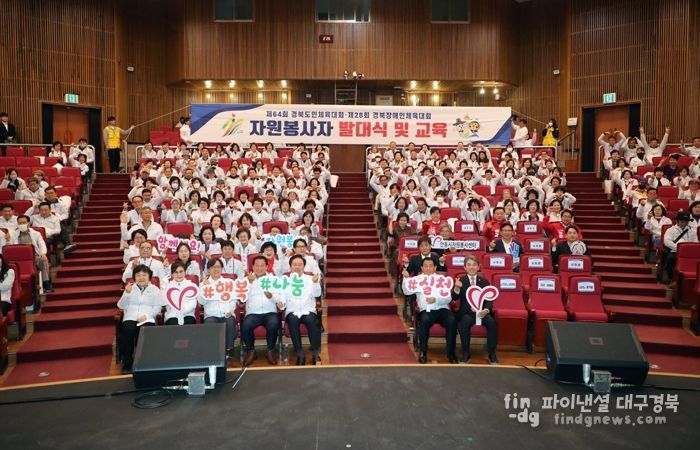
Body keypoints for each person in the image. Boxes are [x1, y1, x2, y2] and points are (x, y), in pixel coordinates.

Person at [402, 257, 457, 364]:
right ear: (422, 268)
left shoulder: (442, 280)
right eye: (425, 266)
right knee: (424, 320)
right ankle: (423, 352)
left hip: (442, 308)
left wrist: (436, 300)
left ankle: (451, 353)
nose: (428, 268)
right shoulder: (417, 280)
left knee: (451, 320)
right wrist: (405, 278)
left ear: (435, 267)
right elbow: (406, 292)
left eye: (430, 266)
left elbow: (448, 298)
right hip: (426, 310)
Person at [452, 255, 498, 364]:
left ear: (478, 267)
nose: (471, 267)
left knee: (491, 323)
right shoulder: (460, 281)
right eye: (469, 265)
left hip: (482, 313)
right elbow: (454, 298)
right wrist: (457, 288)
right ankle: (466, 353)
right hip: (467, 313)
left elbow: (489, 300)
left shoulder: (484, 282)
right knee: (464, 323)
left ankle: (492, 353)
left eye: (474, 265)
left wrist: (486, 310)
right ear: (465, 267)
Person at [117, 264, 162, 373]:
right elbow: (120, 306)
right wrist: (126, 293)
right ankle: (127, 363)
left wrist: (147, 316)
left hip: (147, 318)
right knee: (127, 330)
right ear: (134, 277)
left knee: (145, 332)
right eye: (138, 275)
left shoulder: (155, 290)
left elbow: (157, 307)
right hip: (130, 317)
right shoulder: (130, 288)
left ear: (149, 277)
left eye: (144, 275)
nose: (141, 277)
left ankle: (144, 363)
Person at [241, 256, 282, 366]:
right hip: (253, 313)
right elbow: (242, 299)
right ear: (252, 267)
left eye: (262, 265)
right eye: (257, 265)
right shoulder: (245, 280)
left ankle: (270, 351)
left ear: (267, 267)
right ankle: (251, 351)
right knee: (246, 326)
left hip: (270, 312)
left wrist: (271, 296)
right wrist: (249, 284)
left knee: (273, 324)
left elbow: (279, 298)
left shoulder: (274, 280)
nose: (259, 268)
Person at [281, 254, 322, 365]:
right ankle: (299, 353)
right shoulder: (285, 281)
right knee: (293, 320)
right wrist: (281, 304)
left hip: (308, 309)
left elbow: (317, 294)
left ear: (304, 266)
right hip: (292, 310)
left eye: (300, 264)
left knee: (311, 321)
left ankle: (316, 353)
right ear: (290, 267)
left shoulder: (310, 279)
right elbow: (282, 298)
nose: (297, 267)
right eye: (294, 264)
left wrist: (315, 283)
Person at [199, 258, 237, 356]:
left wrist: (230, 310)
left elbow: (233, 299)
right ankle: (212, 352)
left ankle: (229, 350)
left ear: (222, 268)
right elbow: (201, 302)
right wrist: (205, 288)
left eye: (218, 267)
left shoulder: (229, 282)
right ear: (208, 269)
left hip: (227, 313)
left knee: (230, 321)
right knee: (209, 323)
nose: (216, 269)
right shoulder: (203, 284)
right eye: (213, 267)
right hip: (211, 315)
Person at [11, 215, 51, 292]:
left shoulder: (36, 233)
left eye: (24, 223)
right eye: (20, 223)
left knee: (43, 260)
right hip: (19, 259)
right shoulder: (13, 234)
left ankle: (45, 283)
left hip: (34, 257)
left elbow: (42, 244)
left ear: (28, 223)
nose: (22, 225)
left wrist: (43, 253)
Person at [663, 212, 699, 282]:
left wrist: (688, 250)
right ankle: (672, 279)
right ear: (677, 221)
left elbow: (695, 243)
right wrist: (679, 249)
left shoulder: (692, 232)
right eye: (682, 221)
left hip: (689, 253)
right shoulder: (670, 230)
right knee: (670, 259)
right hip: (675, 251)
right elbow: (667, 242)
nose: (684, 223)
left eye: (686, 221)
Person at [161, 261, 198, 325]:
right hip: (172, 315)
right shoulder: (167, 286)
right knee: (172, 323)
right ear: (172, 274)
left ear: (185, 272)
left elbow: (193, 303)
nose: (179, 275)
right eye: (176, 272)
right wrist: (162, 288)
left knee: (189, 322)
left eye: (181, 271)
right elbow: (163, 302)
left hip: (188, 314)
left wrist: (181, 310)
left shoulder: (192, 286)